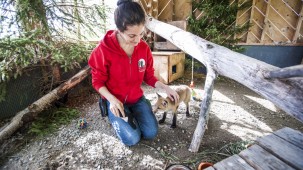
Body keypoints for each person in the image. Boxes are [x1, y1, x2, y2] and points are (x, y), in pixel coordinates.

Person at [88, 0, 179, 146]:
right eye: (132, 36)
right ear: (119, 29)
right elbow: (97, 82)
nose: (138, 40)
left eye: (141, 34)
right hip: (115, 101)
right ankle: (113, 115)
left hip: (136, 99)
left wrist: (165, 88)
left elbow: (148, 75)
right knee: (132, 139)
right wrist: (111, 99)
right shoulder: (103, 50)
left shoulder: (143, 48)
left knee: (151, 133)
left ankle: (134, 113)